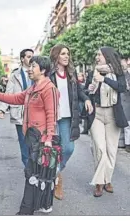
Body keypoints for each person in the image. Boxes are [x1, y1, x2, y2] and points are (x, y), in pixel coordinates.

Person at [0, 56, 59, 215]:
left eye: (33, 66)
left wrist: (48, 139)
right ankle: (44, 204)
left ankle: (26, 211)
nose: (30, 69)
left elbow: (51, 115)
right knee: (39, 173)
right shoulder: (32, 88)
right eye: (30, 65)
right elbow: (15, 98)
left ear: (43, 70)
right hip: (31, 136)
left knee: (31, 173)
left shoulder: (49, 88)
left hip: (41, 138)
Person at [49, 44, 93, 200]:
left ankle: (55, 173)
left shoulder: (71, 73)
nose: (66, 56)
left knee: (68, 148)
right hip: (52, 118)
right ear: (56, 56)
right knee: (54, 149)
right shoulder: (49, 74)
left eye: (67, 53)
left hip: (68, 118)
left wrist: (87, 99)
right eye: (63, 54)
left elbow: (80, 90)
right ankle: (56, 181)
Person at [85, 47, 128, 197]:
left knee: (111, 150)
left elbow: (122, 87)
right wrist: (88, 90)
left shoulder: (118, 72)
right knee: (99, 149)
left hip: (113, 114)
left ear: (107, 56)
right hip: (97, 113)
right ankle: (99, 183)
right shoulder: (92, 72)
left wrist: (104, 79)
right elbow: (85, 91)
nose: (97, 57)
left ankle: (107, 179)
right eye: (96, 54)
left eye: (99, 55)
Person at [0, 49, 34, 167]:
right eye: (28, 56)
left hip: (35, 112)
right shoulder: (15, 75)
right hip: (20, 112)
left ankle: (34, 167)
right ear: (22, 59)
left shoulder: (37, 72)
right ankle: (28, 169)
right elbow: (9, 93)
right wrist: (2, 109)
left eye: (32, 56)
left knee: (34, 142)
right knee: (23, 142)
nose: (31, 59)